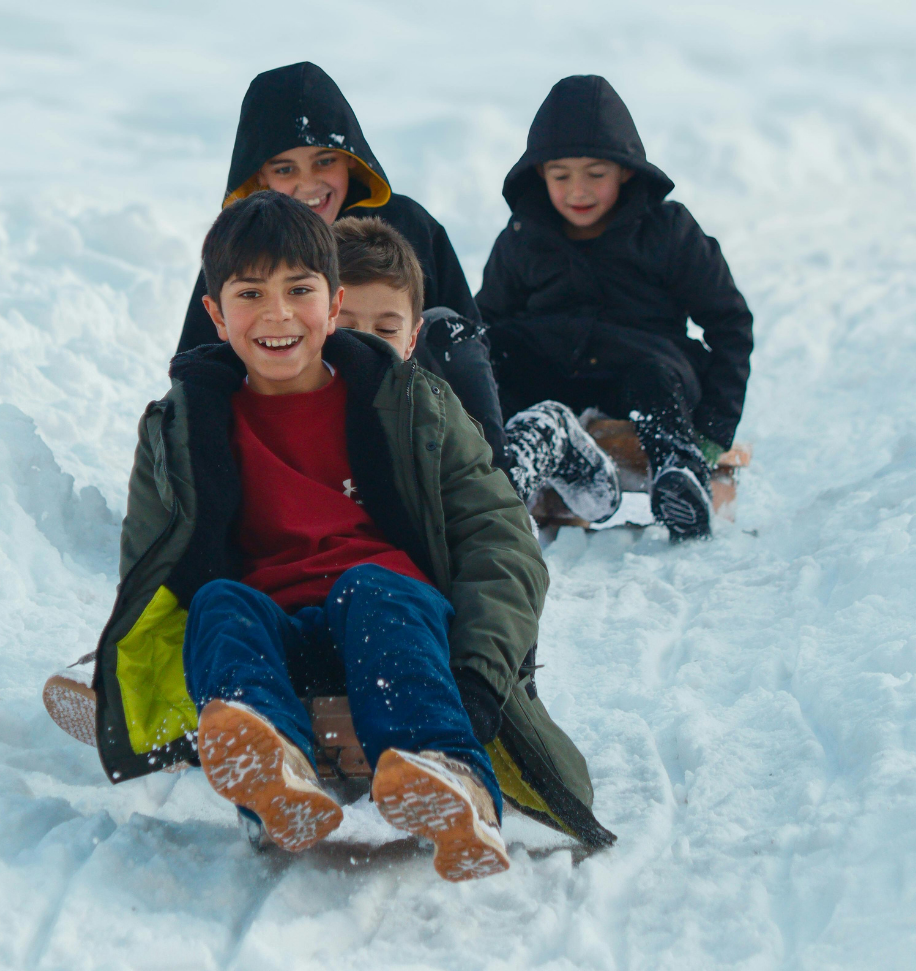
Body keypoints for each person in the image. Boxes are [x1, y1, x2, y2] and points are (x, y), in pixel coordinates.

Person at [93, 190, 548, 882]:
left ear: (334, 305)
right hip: (279, 641)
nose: (277, 314)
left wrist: (482, 679)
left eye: (299, 290)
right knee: (218, 602)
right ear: (215, 314)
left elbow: (500, 540)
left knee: (373, 588)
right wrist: (139, 679)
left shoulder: (410, 404)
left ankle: (451, 778)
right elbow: (151, 577)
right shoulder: (183, 429)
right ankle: (272, 774)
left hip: (398, 631)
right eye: (250, 294)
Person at [174, 61, 510, 468]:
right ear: (259, 175)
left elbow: (465, 338)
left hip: (414, 425)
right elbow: (198, 364)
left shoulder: (409, 225)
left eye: (324, 161)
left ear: (351, 159)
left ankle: (494, 473)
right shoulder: (242, 245)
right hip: (296, 433)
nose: (309, 184)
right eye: (285, 168)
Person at [477, 75, 754, 540]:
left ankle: (678, 473)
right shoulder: (523, 237)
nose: (578, 191)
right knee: (494, 348)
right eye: (561, 176)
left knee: (655, 379)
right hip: (555, 374)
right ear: (540, 174)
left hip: (640, 369)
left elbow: (729, 322)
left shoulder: (667, 230)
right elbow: (486, 321)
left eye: (595, 174)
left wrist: (714, 427)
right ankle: (506, 467)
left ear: (625, 171)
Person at [333, 215, 620, 523]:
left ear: (410, 338)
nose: (367, 345)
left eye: (386, 330)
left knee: (500, 486)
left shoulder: (421, 400)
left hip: (454, 366)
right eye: (346, 329)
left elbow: (496, 517)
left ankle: (552, 428)